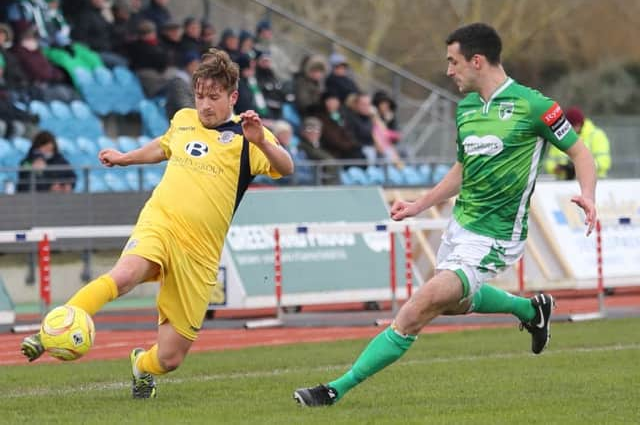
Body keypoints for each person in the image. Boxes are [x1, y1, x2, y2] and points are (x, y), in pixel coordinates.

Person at [293, 22, 597, 407]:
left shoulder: (535, 106)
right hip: (461, 227)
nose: (449, 71)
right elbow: (462, 167)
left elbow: (581, 153)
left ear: (477, 61)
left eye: (453, 62)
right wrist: (421, 204)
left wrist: (587, 195)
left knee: (419, 307)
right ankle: (531, 309)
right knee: (449, 303)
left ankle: (335, 389)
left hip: (497, 236)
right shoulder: (467, 107)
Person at [20, 49, 294, 399]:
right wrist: (125, 159)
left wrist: (263, 144)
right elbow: (164, 147)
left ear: (233, 97)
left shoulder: (248, 135)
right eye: (200, 96)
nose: (205, 105)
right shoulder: (183, 119)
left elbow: (286, 168)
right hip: (161, 222)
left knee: (169, 358)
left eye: (214, 97)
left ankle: (141, 365)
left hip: (199, 253)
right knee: (123, 275)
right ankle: (49, 332)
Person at [544, 106, 611, 180]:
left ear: (580, 124)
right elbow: (550, 164)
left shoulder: (597, 136)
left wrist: (581, 167)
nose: (571, 129)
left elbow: (604, 162)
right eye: (569, 126)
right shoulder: (561, 136)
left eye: (573, 126)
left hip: (594, 183)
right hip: (564, 185)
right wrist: (559, 168)